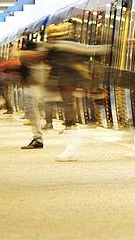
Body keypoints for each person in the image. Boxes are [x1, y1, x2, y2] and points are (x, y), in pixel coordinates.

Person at [39, 21, 110, 162]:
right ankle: (72, 148)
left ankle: (72, 149)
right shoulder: (61, 46)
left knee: (69, 115)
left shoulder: (61, 46)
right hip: (66, 83)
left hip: (68, 83)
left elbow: (84, 57)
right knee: (68, 114)